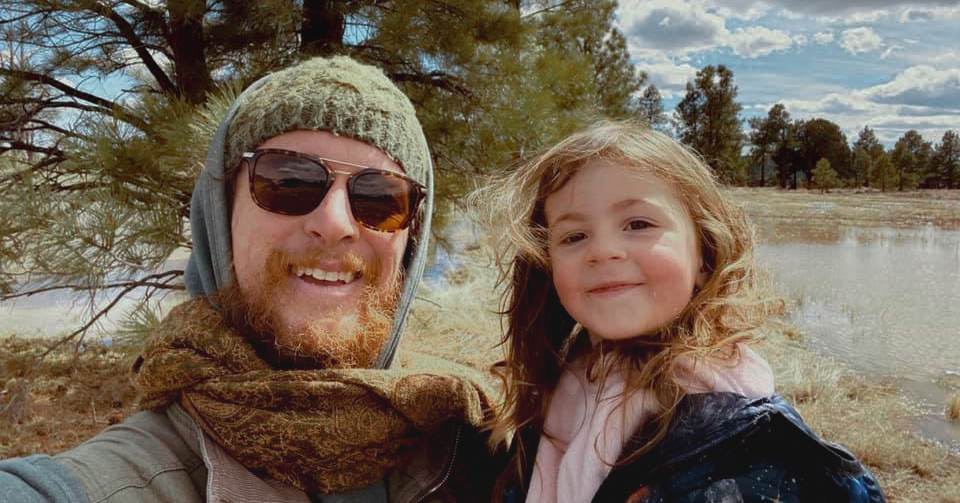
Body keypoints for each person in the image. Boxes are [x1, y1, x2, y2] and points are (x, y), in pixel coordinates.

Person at [0, 56, 502, 502]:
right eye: (289, 181)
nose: (335, 223)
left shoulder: (489, 444)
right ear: (221, 215)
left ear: (410, 239)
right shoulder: (120, 477)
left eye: (379, 198)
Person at [473, 120, 886, 503]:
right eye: (574, 235)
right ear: (548, 267)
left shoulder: (753, 444)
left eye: (638, 224)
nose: (603, 251)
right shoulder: (557, 390)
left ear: (704, 257)